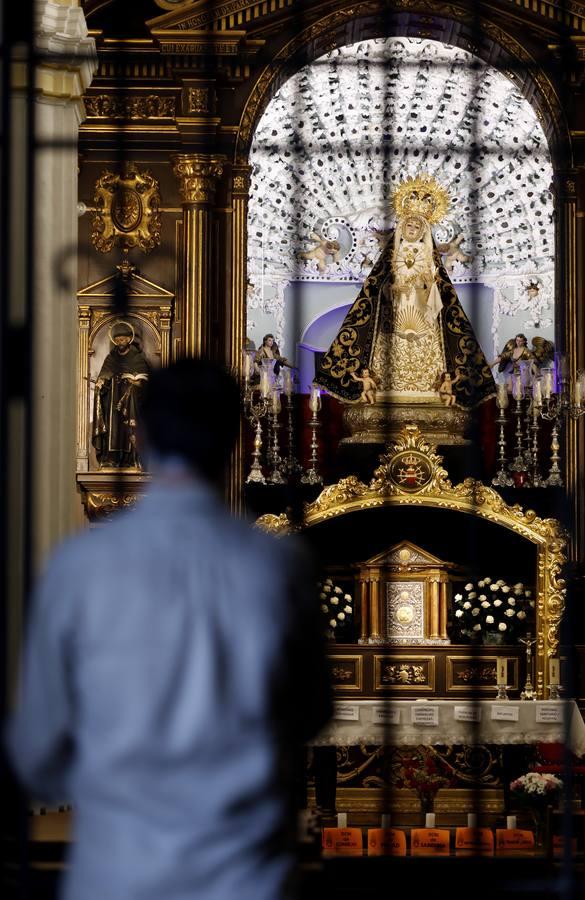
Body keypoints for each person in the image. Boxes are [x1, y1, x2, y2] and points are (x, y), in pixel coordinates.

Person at [7, 358, 332, 900]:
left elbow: (38, 749)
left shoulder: (81, 566)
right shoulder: (279, 566)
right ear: (237, 437)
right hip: (245, 875)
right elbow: (311, 712)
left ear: (140, 433)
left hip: (118, 872)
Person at [314, 174, 495, 408]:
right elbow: (379, 288)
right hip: (396, 311)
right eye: (408, 225)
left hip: (421, 309)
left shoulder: (428, 254)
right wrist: (393, 287)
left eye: (417, 226)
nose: (412, 229)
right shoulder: (392, 254)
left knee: (425, 342)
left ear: (424, 231)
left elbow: (435, 285)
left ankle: (430, 389)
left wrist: (423, 283)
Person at [92, 319, 150, 469]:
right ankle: (111, 458)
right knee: (114, 431)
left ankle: (130, 458)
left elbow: (145, 380)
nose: (120, 342)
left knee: (128, 429)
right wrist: (101, 383)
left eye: (122, 339)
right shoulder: (111, 358)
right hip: (113, 401)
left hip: (131, 401)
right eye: (117, 339)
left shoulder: (137, 358)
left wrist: (137, 384)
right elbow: (104, 374)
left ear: (129, 339)